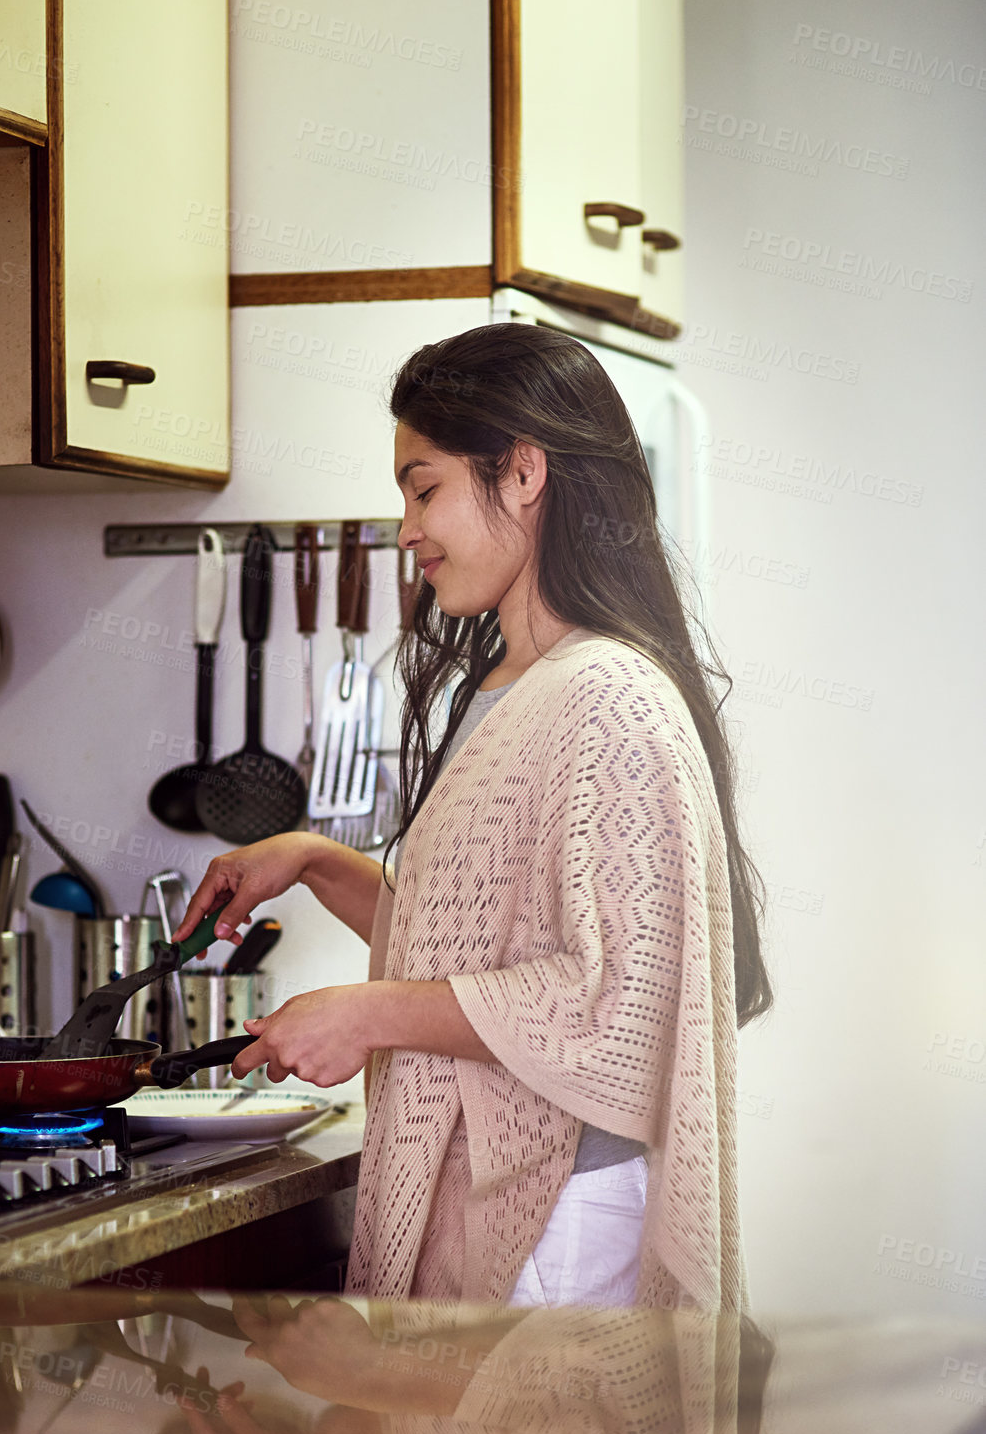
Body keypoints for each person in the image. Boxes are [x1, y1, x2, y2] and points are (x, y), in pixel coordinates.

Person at [175, 321, 772, 1312]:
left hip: (558, 1206)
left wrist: (363, 1014)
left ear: (523, 473)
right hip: (512, 1191)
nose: (406, 528)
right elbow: (489, 948)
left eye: (423, 489)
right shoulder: (513, 684)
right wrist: (320, 862)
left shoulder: (608, 695)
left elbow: (613, 999)